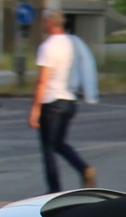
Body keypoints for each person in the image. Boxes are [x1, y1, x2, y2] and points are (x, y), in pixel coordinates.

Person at [30, 10, 97, 192]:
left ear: (51, 23)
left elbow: (43, 80)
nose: (44, 24)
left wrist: (35, 109)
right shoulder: (74, 43)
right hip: (69, 101)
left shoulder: (48, 46)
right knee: (59, 143)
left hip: (51, 101)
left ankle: (54, 191)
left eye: (45, 21)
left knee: (48, 150)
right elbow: (86, 65)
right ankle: (84, 168)